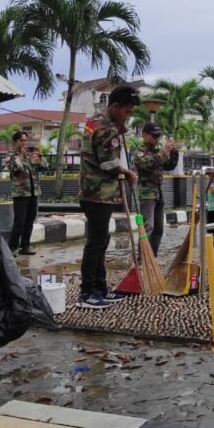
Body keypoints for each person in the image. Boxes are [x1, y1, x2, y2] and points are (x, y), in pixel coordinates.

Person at [78, 85, 141, 309]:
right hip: (98, 193)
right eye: (127, 111)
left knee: (101, 240)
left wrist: (119, 127)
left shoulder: (95, 121)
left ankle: (100, 288)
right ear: (114, 107)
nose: (129, 116)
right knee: (96, 242)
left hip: (91, 191)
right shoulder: (108, 129)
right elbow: (108, 163)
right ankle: (87, 293)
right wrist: (128, 172)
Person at [133, 122, 178, 256]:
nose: (157, 139)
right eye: (154, 136)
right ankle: (143, 259)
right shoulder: (140, 152)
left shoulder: (157, 151)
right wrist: (164, 152)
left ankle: (153, 256)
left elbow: (169, 166)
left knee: (158, 228)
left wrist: (174, 153)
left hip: (159, 194)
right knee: (148, 227)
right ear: (144, 135)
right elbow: (148, 164)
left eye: (158, 136)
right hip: (147, 195)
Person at [6, 130, 49, 256]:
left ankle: (25, 247)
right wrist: (21, 156)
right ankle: (12, 248)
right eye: (22, 140)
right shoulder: (11, 155)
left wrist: (40, 155)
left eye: (26, 140)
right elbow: (15, 168)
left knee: (30, 220)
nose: (24, 143)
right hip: (20, 193)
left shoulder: (31, 155)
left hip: (33, 192)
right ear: (16, 142)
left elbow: (44, 167)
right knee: (19, 221)